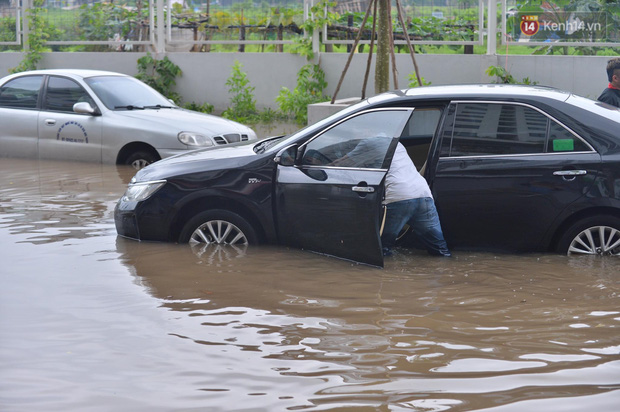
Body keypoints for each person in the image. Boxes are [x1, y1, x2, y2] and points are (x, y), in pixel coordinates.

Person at [380, 141, 451, 257]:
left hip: (399, 196)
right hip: (423, 194)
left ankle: (383, 275)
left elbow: (350, 162)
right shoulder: (397, 144)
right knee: (440, 249)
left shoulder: (368, 143)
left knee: (382, 247)